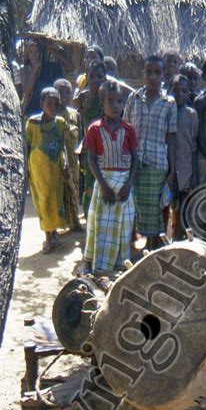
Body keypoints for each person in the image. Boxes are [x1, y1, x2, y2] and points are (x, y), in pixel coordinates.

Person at [81, 81, 138, 277]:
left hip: (124, 185)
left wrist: (128, 185)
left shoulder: (128, 129)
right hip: (104, 183)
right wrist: (104, 187)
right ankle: (97, 265)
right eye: (110, 101)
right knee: (100, 226)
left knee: (123, 227)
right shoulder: (95, 129)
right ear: (102, 103)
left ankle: (121, 265)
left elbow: (135, 159)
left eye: (119, 101)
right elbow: (91, 160)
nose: (115, 106)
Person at [123, 55, 177, 250]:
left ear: (163, 75)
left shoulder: (169, 103)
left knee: (154, 211)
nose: (153, 76)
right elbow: (126, 130)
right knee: (132, 208)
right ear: (143, 74)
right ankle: (131, 250)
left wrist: (172, 170)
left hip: (157, 164)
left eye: (157, 72)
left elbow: (171, 137)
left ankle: (153, 251)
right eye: (149, 72)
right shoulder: (133, 98)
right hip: (134, 163)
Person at [26, 87, 70, 254]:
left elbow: (63, 144)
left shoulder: (60, 123)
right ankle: (48, 238)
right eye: (49, 103)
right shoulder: (32, 123)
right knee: (43, 200)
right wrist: (26, 169)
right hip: (39, 168)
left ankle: (54, 233)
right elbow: (27, 146)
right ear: (41, 104)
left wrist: (65, 163)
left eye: (56, 104)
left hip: (55, 167)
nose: (53, 107)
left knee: (56, 200)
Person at [76, 61, 107, 217]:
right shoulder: (82, 98)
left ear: (105, 78)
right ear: (86, 77)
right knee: (89, 186)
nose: (96, 80)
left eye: (100, 76)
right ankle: (90, 223)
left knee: (103, 185)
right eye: (92, 76)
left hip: (106, 150)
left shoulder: (107, 100)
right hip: (89, 150)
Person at [171, 74, 198, 240]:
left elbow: (194, 146)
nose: (180, 94)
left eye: (184, 91)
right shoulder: (166, 108)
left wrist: (194, 173)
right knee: (170, 207)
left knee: (184, 208)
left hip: (186, 168)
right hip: (169, 169)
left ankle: (182, 241)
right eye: (176, 90)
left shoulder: (191, 115)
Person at [54, 78, 82, 232]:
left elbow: (81, 137)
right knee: (59, 192)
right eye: (60, 92)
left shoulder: (75, 115)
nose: (64, 95)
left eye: (68, 92)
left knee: (74, 190)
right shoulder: (51, 114)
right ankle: (59, 224)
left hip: (73, 160)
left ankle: (75, 223)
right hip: (56, 161)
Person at [20, 39, 63, 118]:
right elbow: (26, 92)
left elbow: (70, 67)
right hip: (31, 109)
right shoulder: (24, 68)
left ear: (40, 53)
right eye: (31, 52)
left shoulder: (48, 67)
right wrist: (35, 69)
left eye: (36, 52)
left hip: (46, 108)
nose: (33, 55)